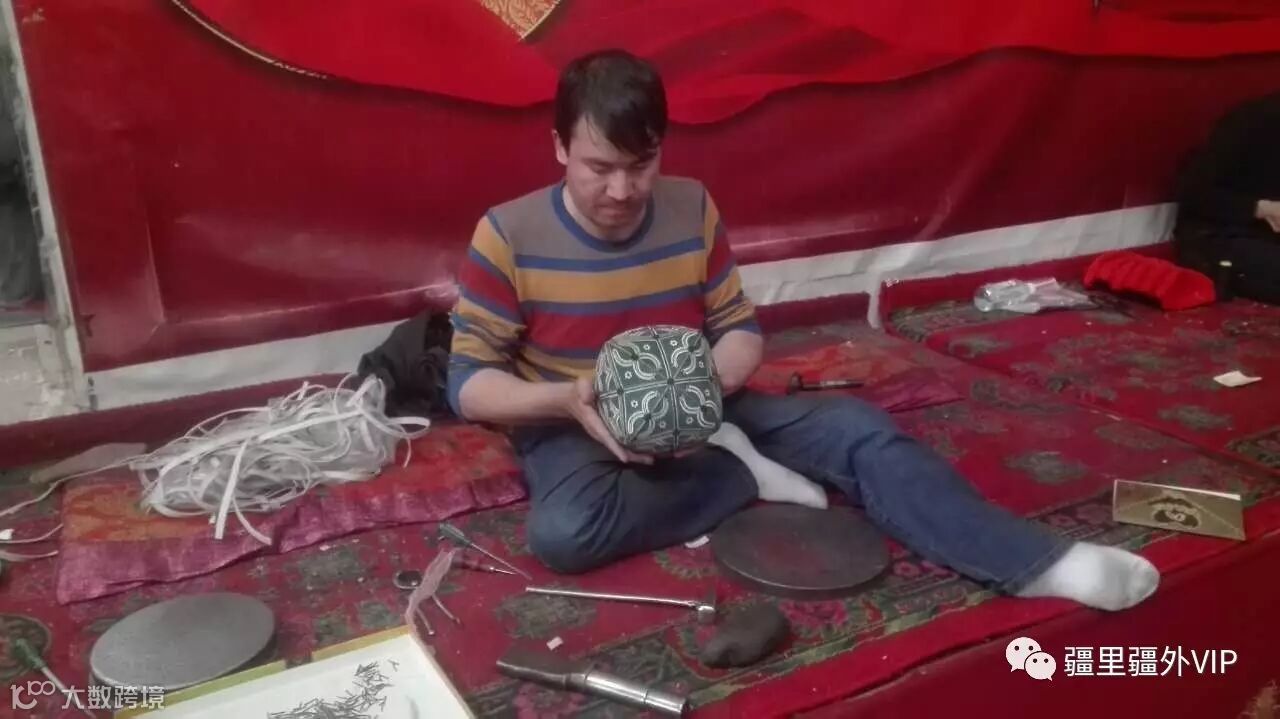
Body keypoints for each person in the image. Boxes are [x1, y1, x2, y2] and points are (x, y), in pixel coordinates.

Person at [448, 49, 1159, 611]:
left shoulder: (690, 206)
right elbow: (470, 386)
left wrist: (706, 388)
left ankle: (1037, 563)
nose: (621, 190)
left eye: (641, 166)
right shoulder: (508, 232)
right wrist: (570, 399)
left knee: (858, 430)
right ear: (559, 147)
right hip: (577, 419)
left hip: (706, 402)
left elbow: (737, 327)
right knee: (565, 532)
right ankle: (740, 473)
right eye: (599, 167)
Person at [1175, 90, 1280, 304]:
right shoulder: (1254, 121)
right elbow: (1193, 193)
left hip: (1266, 237)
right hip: (1216, 234)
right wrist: (1261, 209)